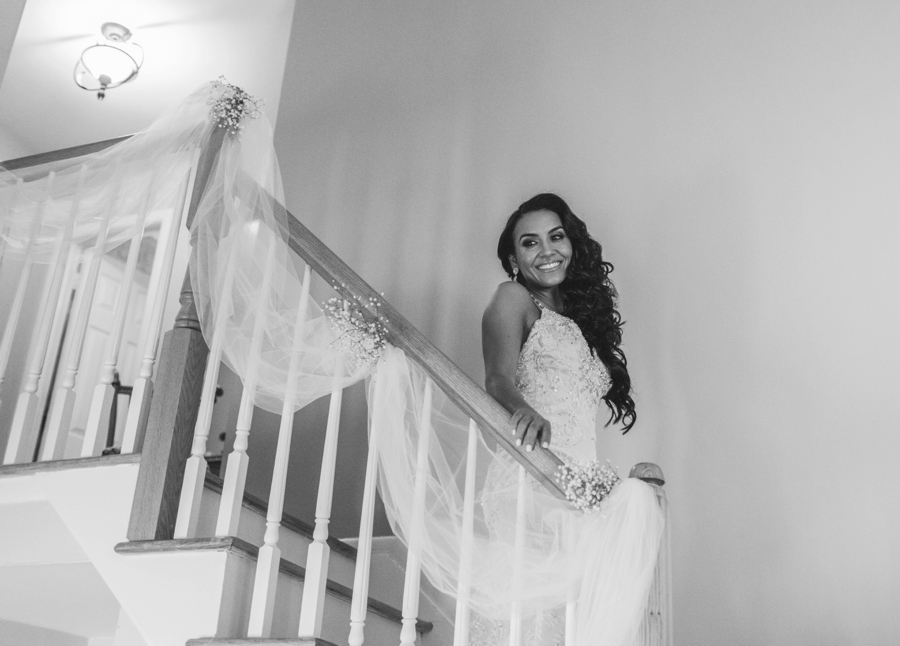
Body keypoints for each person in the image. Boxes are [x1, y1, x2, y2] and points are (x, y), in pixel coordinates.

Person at [470, 192, 660, 646]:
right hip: (533, 472)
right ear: (513, 259)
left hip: (578, 482)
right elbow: (497, 378)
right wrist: (524, 410)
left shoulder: (577, 320)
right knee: (536, 618)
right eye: (529, 242)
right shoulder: (513, 297)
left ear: (572, 243)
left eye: (555, 237)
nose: (546, 250)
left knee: (572, 620)